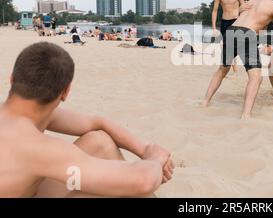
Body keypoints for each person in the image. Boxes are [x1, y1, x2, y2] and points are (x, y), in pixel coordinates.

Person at [0, 42, 174, 197]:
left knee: (99, 141)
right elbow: (142, 182)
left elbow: (97, 122)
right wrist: (156, 160)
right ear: (65, 92)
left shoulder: (24, 117)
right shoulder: (40, 148)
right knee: (117, 191)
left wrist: (145, 149)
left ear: (12, 79)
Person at [212, 0, 246, 74]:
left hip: (237, 21)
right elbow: (215, 10)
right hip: (225, 22)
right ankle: (224, 67)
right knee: (227, 46)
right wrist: (214, 27)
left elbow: (244, 7)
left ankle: (234, 69)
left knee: (236, 45)